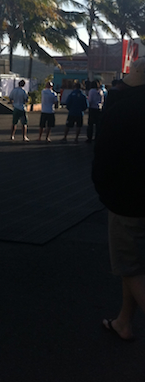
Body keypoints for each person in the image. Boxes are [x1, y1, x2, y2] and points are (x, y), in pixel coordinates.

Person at [92, 57, 145, 341]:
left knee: (128, 267)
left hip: (127, 201)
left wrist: (106, 192)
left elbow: (103, 159)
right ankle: (124, 322)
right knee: (134, 265)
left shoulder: (121, 110)